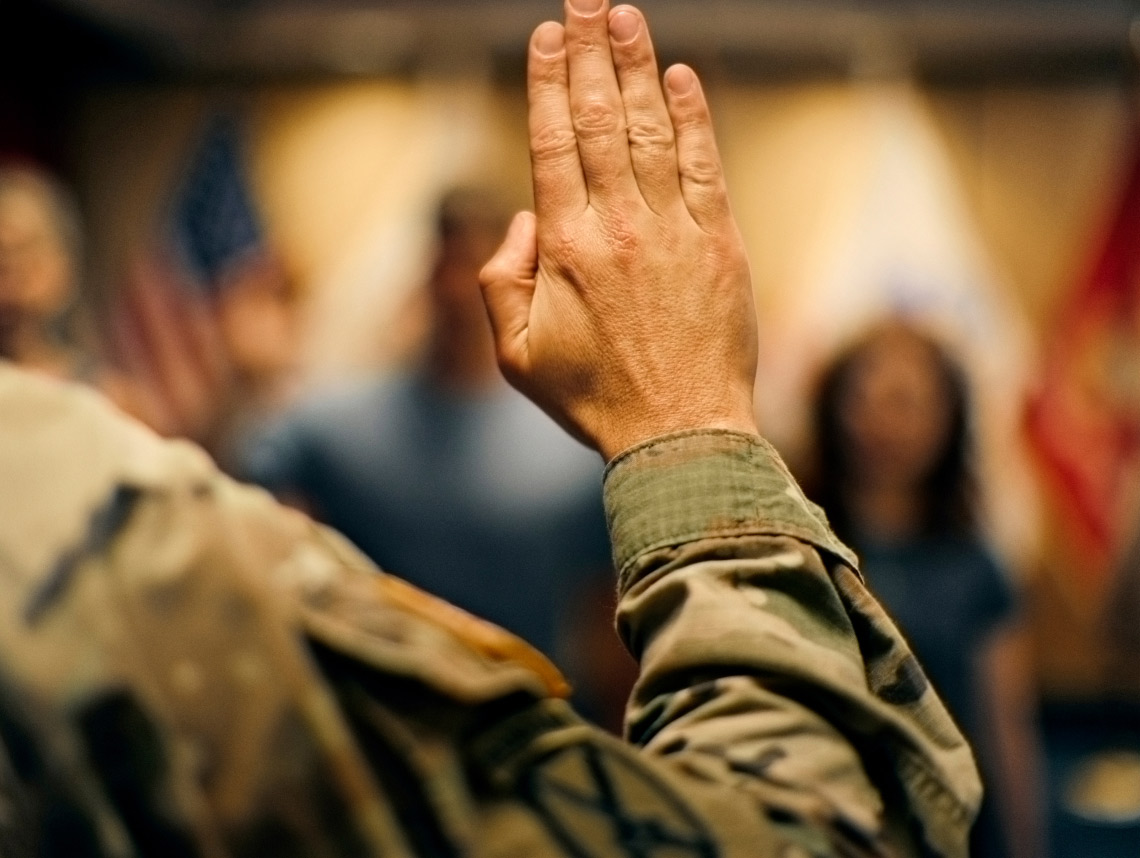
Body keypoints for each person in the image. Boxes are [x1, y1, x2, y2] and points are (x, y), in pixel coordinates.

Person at [0, 3, 980, 856]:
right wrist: (691, 416)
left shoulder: (554, 445)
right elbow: (805, 839)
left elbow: (605, 624)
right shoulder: (251, 458)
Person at [241, 188, 615, 671]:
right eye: (449, 265)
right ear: (427, 273)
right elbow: (250, 497)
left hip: (534, 711)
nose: (461, 290)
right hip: (382, 707)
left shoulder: (577, 444)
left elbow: (608, 618)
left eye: (478, 267)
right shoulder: (333, 430)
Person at [806, 321, 1047, 858]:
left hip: (949, 828)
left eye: (904, 402)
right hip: (824, 824)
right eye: (861, 398)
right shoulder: (798, 543)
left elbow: (1006, 730)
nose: (879, 423)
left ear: (949, 419)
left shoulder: (975, 563)